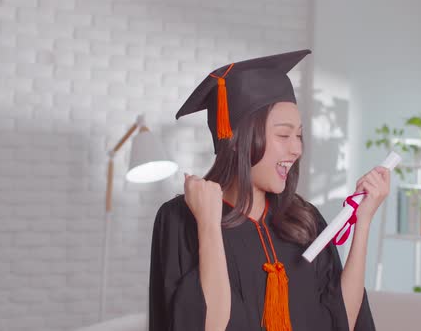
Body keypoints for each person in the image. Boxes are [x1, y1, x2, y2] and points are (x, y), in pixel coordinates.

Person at [148, 49, 390, 331]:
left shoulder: (304, 219)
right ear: (238, 140)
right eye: (284, 135)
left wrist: (363, 222)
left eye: (299, 135)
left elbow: (342, 321)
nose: (297, 148)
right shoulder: (179, 220)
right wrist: (208, 225)